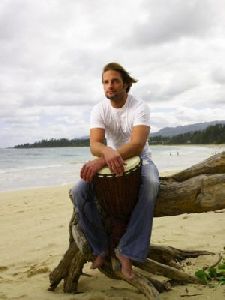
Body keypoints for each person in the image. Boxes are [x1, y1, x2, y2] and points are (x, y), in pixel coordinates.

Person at [71, 62, 159, 279]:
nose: (109, 86)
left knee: (151, 186)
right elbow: (95, 144)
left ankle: (127, 250)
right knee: (78, 191)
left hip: (141, 160)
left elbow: (137, 144)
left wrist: (106, 157)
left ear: (126, 84)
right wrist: (107, 154)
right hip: (110, 161)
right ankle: (99, 247)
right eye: (105, 82)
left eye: (115, 81)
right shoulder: (99, 109)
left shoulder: (139, 107)